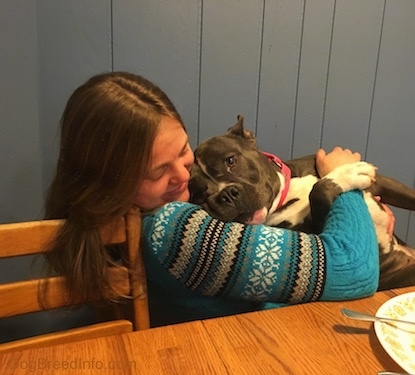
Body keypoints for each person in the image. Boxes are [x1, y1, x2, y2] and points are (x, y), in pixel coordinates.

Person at [44, 71, 379, 325]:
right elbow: (355, 271)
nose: (184, 175)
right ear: (108, 186)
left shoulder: (138, 222)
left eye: (183, 150)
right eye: (158, 171)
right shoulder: (174, 233)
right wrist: (345, 181)